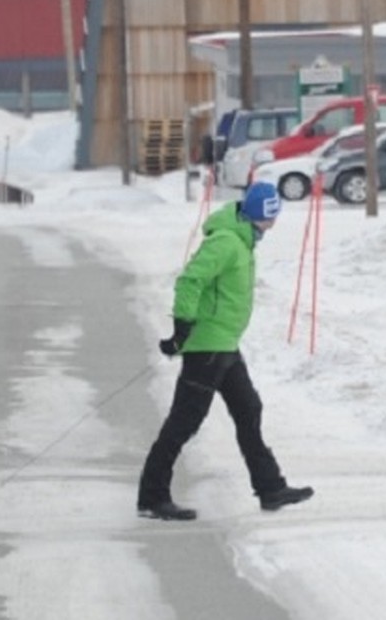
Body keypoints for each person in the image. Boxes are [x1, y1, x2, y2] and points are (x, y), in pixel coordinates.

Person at [137, 181, 314, 521]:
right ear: (262, 215)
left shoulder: (243, 241)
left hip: (225, 344)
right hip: (208, 347)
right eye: (272, 216)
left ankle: (270, 487)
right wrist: (182, 327)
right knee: (184, 423)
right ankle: (152, 497)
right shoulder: (226, 243)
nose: (275, 223)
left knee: (249, 409)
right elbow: (190, 280)